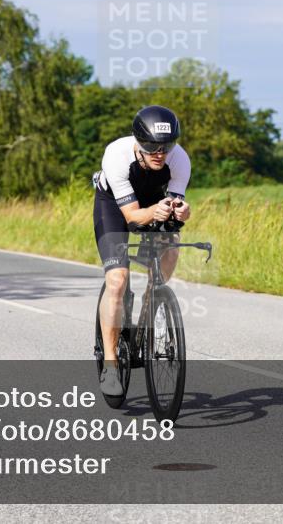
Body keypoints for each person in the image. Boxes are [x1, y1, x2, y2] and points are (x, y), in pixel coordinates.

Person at [92, 105, 192, 397]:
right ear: (138, 142)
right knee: (118, 280)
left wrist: (181, 213)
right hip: (115, 205)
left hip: (152, 200)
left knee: (171, 249)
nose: (159, 153)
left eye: (166, 146)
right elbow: (133, 217)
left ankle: (153, 304)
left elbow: (173, 210)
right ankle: (111, 365)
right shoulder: (117, 155)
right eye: (151, 147)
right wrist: (155, 212)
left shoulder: (180, 159)